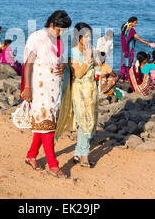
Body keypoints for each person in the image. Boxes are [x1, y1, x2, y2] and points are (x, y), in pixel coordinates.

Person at [21, 10, 71, 178]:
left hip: (54, 88)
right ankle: (53, 165)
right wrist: (27, 87)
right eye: (59, 29)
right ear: (51, 25)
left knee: (44, 126)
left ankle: (31, 156)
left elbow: (61, 58)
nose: (62, 33)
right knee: (48, 127)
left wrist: (63, 65)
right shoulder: (37, 37)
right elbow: (28, 64)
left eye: (64, 30)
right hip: (40, 86)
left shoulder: (60, 40)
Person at [56, 23, 98, 168]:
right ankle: (85, 156)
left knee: (88, 122)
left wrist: (94, 62)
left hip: (91, 91)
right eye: (86, 36)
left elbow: (93, 67)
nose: (88, 39)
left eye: (90, 36)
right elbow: (78, 73)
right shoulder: (72, 53)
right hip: (79, 92)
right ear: (78, 37)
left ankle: (78, 152)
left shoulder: (90, 50)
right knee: (85, 121)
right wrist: (87, 60)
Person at [120, 17, 155, 82]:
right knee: (129, 63)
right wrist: (146, 43)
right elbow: (138, 38)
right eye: (135, 23)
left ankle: (122, 77)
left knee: (124, 63)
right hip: (129, 49)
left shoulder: (124, 28)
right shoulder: (132, 30)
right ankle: (128, 78)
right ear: (131, 22)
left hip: (124, 49)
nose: (136, 24)